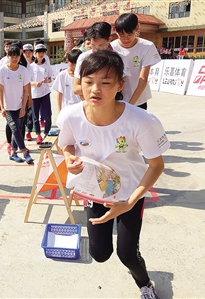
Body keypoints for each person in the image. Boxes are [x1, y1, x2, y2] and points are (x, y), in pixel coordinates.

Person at [56, 50, 170, 299]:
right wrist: (68, 158)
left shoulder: (141, 121)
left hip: (129, 193)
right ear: (79, 82)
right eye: (88, 81)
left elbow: (156, 165)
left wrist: (129, 202)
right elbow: (64, 143)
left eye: (105, 82)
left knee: (127, 254)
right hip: (95, 191)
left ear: (120, 84)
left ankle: (145, 284)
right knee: (100, 254)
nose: (95, 89)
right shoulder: (70, 116)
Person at [111, 13, 162, 110]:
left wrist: (130, 105)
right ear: (115, 31)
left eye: (130, 34)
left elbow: (143, 79)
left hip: (139, 99)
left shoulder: (147, 47)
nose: (126, 38)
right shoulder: (112, 48)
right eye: (121, 35)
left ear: (137, 28)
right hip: (116, 100)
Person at [0, 45, 34, 164]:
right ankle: (25, 152)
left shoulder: (23, 70)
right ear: (8, 56)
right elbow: (0, 90)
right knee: (15, 130)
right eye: (12, 56)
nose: (14, 58)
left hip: (19, 106)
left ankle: (13, 153)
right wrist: (2, 107)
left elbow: (26, 90)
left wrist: (23, 107)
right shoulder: (2, 70)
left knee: (17, 129)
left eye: (17, 56)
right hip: (8, 107)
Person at [72, 21, 130, 99]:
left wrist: (88, 88)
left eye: (101, 45)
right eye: (93, 45)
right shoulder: (83, 58)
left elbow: (120, 87)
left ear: (109, 39)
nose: (97, 50)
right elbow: (76, 88)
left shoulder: (120, 58)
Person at [30, 43, 53, 144]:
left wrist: (47, 80)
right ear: (35, 53)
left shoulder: (47, 65)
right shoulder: (30, 67)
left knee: (48, 114)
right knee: (35, 116)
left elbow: (50, 79)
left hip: (45, 93)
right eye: (39, 52)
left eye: (43, 52)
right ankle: (38, 134)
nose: (41, 54)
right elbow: (27, 82)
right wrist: (35, 83)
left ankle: (47, 133)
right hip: (34, 94)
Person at [52, 48, 82, 113]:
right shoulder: (62, 75)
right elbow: (59, 94)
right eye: (73, 63)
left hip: (80, 108)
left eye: (77, 63)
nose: (75, 66)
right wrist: (59, 111)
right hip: (67, 109)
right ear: (67, 61)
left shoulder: (84, 75)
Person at [22, 43, 36, 141]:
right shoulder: (20, 64)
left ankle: (29, 132)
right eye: (25, 52)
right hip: (21, 94)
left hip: (33, 93)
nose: (27, 54)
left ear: (32, 53)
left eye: (29, 52)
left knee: (31, 115)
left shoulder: (35, 64)